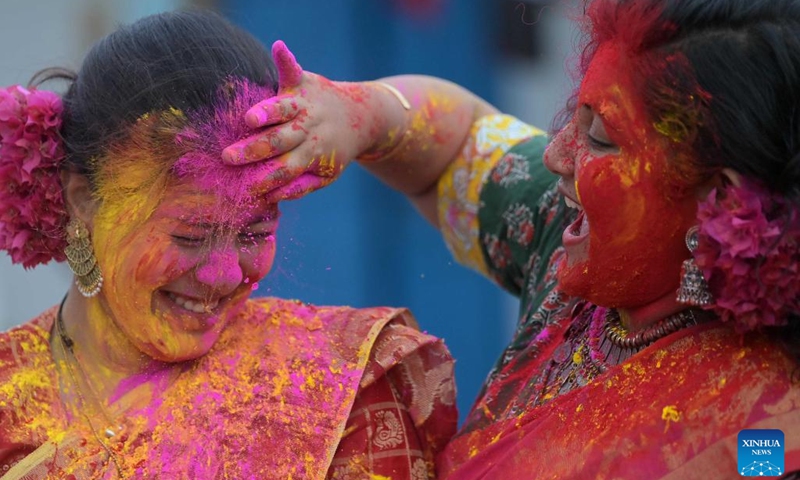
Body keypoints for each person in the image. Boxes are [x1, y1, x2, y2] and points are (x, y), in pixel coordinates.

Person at [222, 0, 800, 477]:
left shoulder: (768, 435)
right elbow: (456, 146)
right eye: (576, 116)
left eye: (600, 139)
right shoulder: (575, 244)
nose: (556, 156)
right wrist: (361, 116)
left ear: (722, 200)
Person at [0, 11, 458, 479]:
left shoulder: (339, 387)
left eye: (255, 234)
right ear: (82, 200)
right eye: (191, 236)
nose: (224, 274)